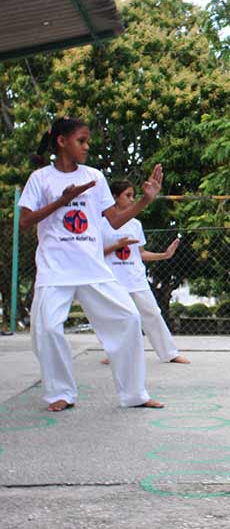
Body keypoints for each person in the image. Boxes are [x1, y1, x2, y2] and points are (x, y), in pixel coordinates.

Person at [18, 116, 163, 411]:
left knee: (129, 319)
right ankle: (61, 393)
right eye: (81, 141)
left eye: (87, 141)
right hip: (55, 268)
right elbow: (25, 221)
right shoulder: (41, 178)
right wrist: (62, 201)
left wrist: (145, 201)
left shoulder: (95, 177)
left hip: (92, 267)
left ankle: (134, 394)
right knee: (47, 330)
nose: (86, 147)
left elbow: (115, 220)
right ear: (62, 141)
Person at [98, 179, 189, 365]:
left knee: (152, 314)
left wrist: (164, 255)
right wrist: (117, 246)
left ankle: (169, 353)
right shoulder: (101, 224)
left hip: (136, 278)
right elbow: (95, 254)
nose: (132, 199)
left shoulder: (135, 225)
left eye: (133, 196)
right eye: (128, 195)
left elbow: (140, 254)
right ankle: (115, 353)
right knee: (117, 318)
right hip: (112, 279)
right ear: (114, 197)